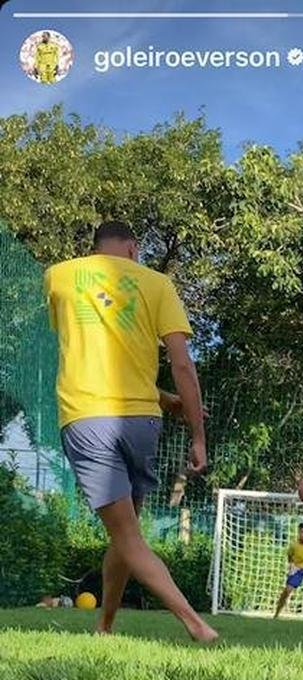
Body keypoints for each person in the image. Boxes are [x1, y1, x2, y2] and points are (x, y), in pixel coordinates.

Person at [44, 220, 218, 643]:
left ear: (95, 247)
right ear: (133, 249)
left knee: (126, 536)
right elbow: (181, 365)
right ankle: (105, 625)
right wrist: (196, 434)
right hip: (142, 422)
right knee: (127, 534)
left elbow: (98, 358)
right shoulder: (157, 284)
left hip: (87, 417)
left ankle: (197, 626)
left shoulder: (59, 276)